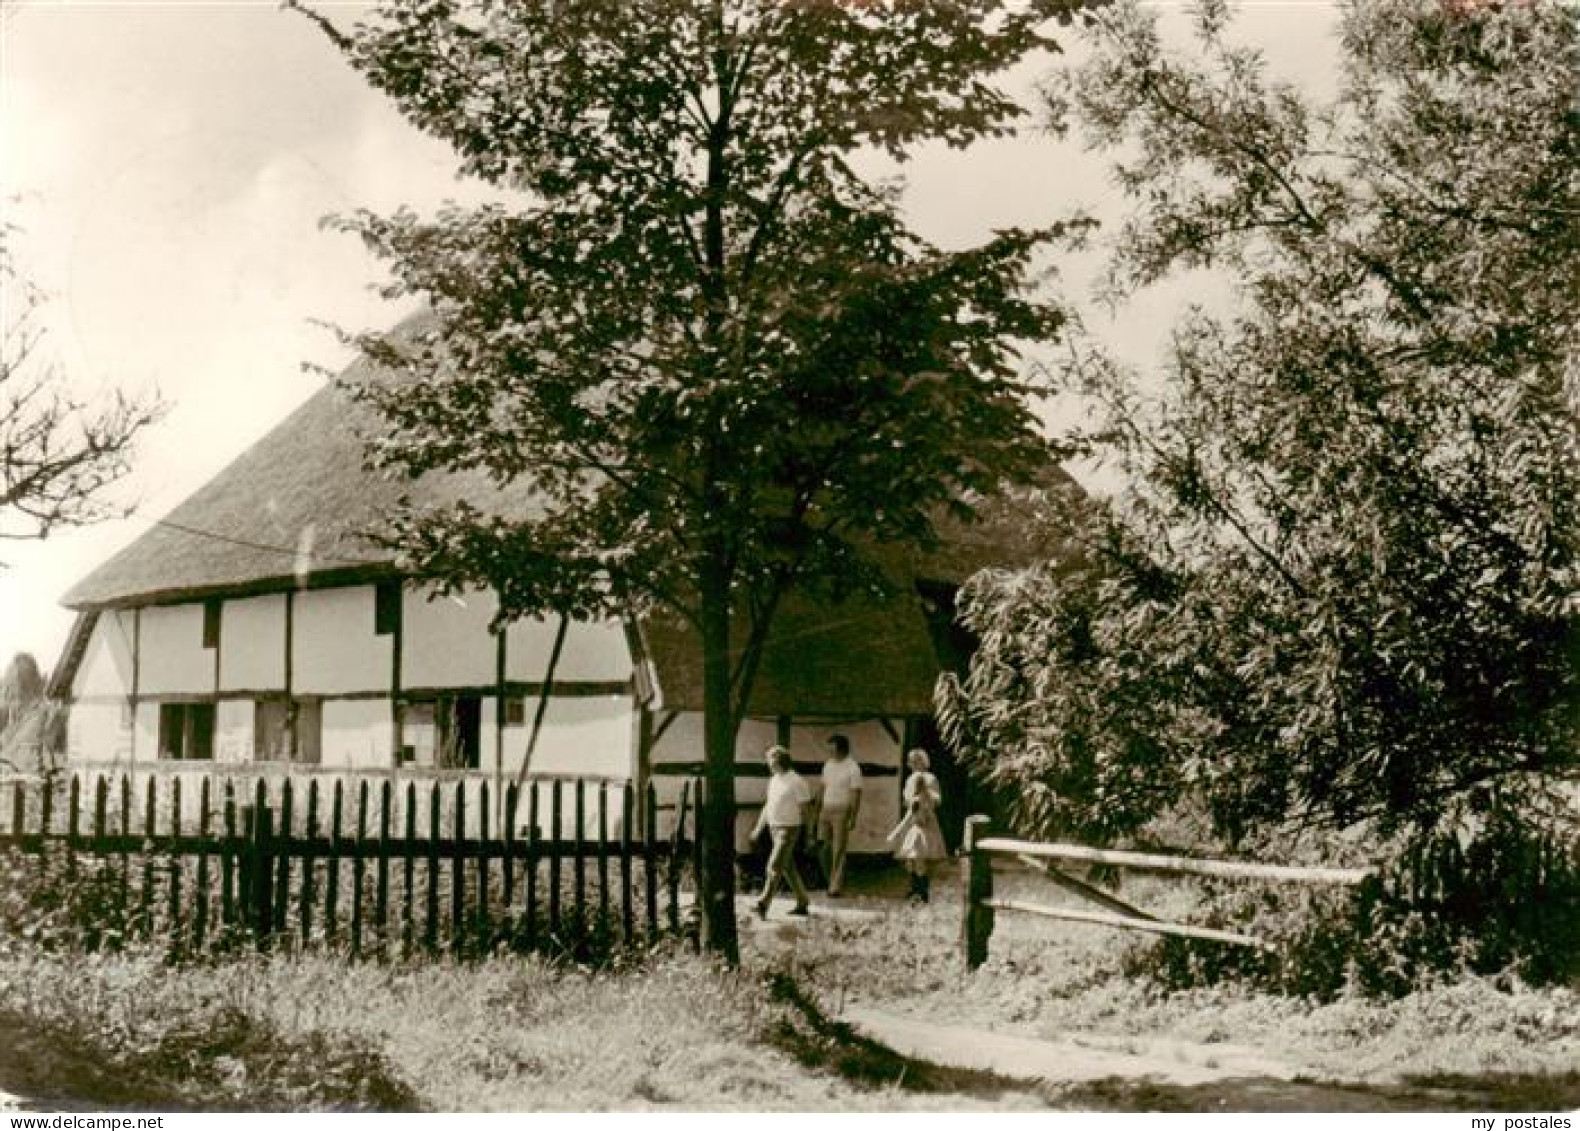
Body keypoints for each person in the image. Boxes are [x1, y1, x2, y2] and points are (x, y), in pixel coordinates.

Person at [751, 744, 812, 918]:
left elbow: (805, 809)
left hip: (789, 828)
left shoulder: (797, 781)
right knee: (787, 867)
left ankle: (763, 903)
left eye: (770, 760)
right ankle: (803, 901)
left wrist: (808, 832)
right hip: (774, 827)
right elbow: (768, 805)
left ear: (779, 761)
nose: (768, 764)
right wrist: (758, 827)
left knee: (774, 865)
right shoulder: (774, 780)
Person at [891, 747, 946, 902]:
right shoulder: (910, 779)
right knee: (910, 858)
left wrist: (925, 795)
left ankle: (922, 891)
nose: (914, 764)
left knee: (920, 855)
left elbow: (937, 800)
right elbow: (908, 800)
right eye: (912, 762)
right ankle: (914, 888)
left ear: (923, 762)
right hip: (912, 817)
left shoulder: (930, 778)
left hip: (925, 818)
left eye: (917, 761)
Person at [818, 733, 863, 896]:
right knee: (823, 848)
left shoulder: (853, 768)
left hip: (842, 810)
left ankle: (835, 886)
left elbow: (856, 794)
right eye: (829, 749)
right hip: (826, 808)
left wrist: (853, 816)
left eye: (833, 749)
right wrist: (818, 808)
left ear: (842, 749)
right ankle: (831, 879)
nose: (830, 752)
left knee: (838, 849)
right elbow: (822, 787)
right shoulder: (828, 765)